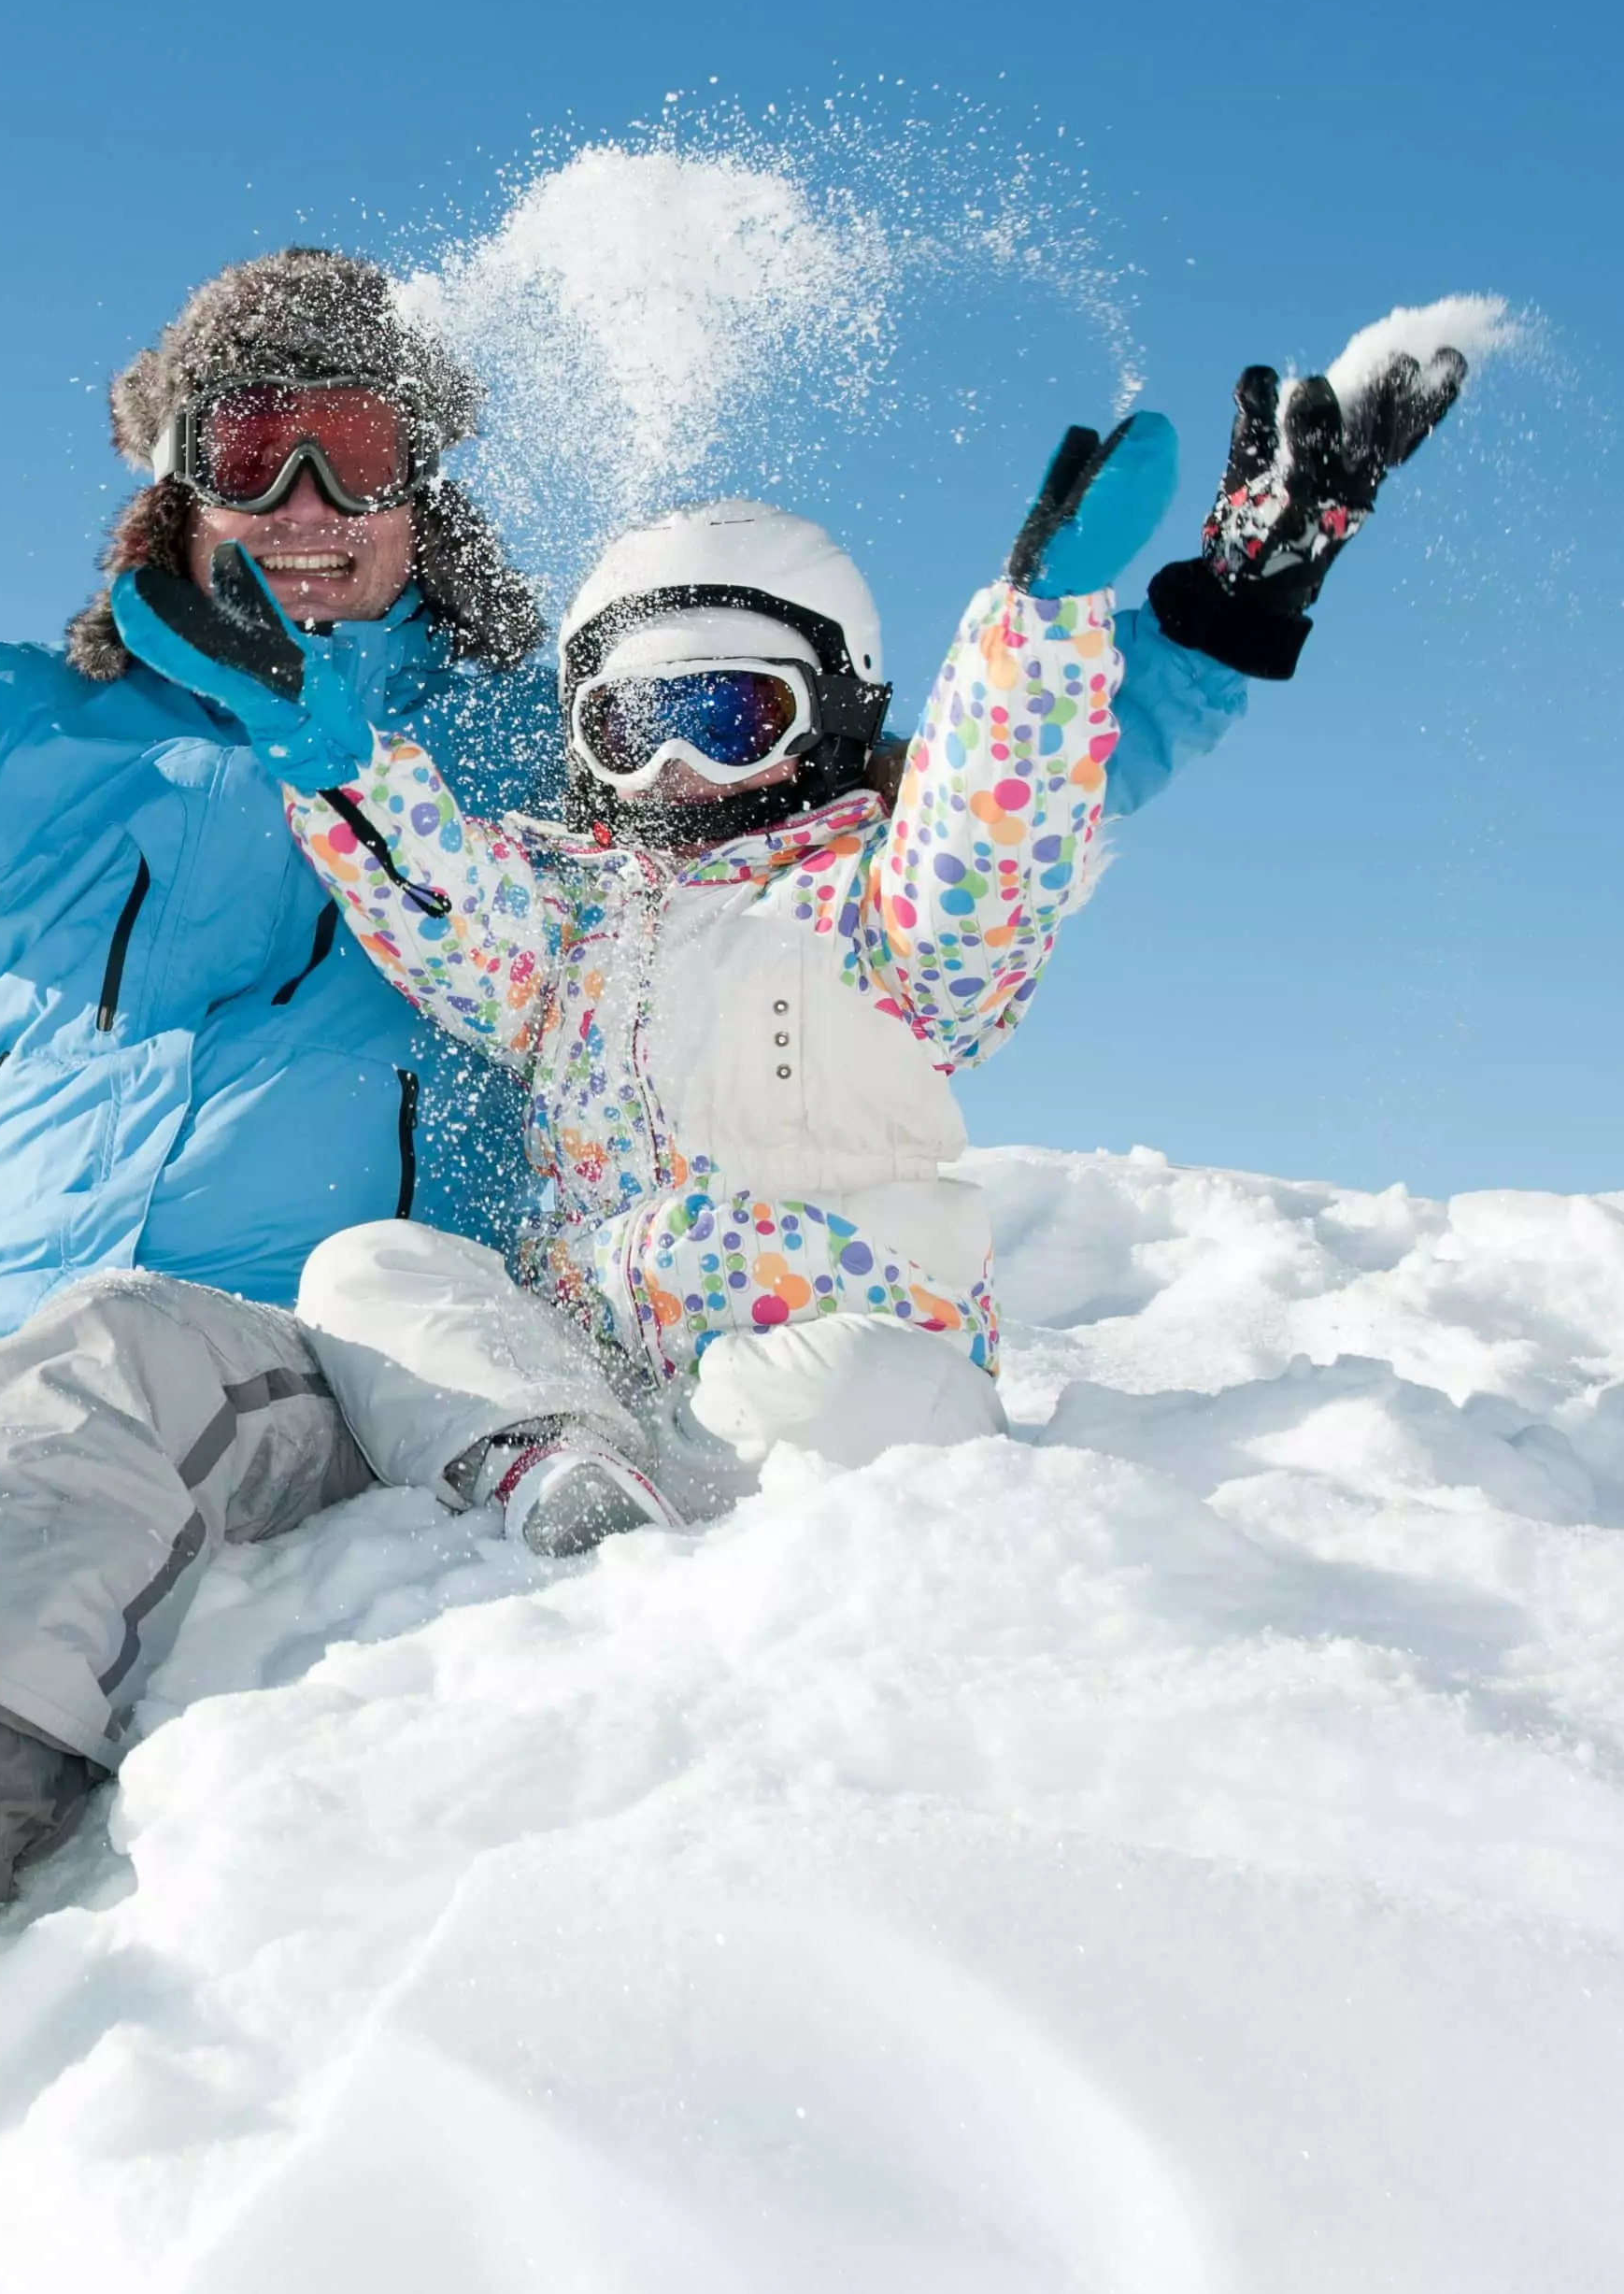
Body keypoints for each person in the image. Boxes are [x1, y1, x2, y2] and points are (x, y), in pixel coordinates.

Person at [0, 246, 1319, 2285]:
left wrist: (1209, 614)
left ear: (424, 484)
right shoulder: (31, 725)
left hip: (302, 1356)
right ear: (172, 470)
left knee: (100, 1364)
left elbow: (898, 812)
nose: (304, 508)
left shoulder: (514, 741)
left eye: (357, 459)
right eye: (250, 448)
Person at [122, 350, 1470, 1518]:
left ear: (827, 721)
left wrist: (1039, 632)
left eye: (730, 723)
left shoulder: (873, 907)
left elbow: (992, 832)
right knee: (374, 1271)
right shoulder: (573, 924)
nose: (677, 777)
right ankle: (553, 1469)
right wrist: (331, 758)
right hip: (595, 1350)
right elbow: (450, 917)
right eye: (629, 735)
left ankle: (740, 1507)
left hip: (830, 1338)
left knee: (869, 1396)